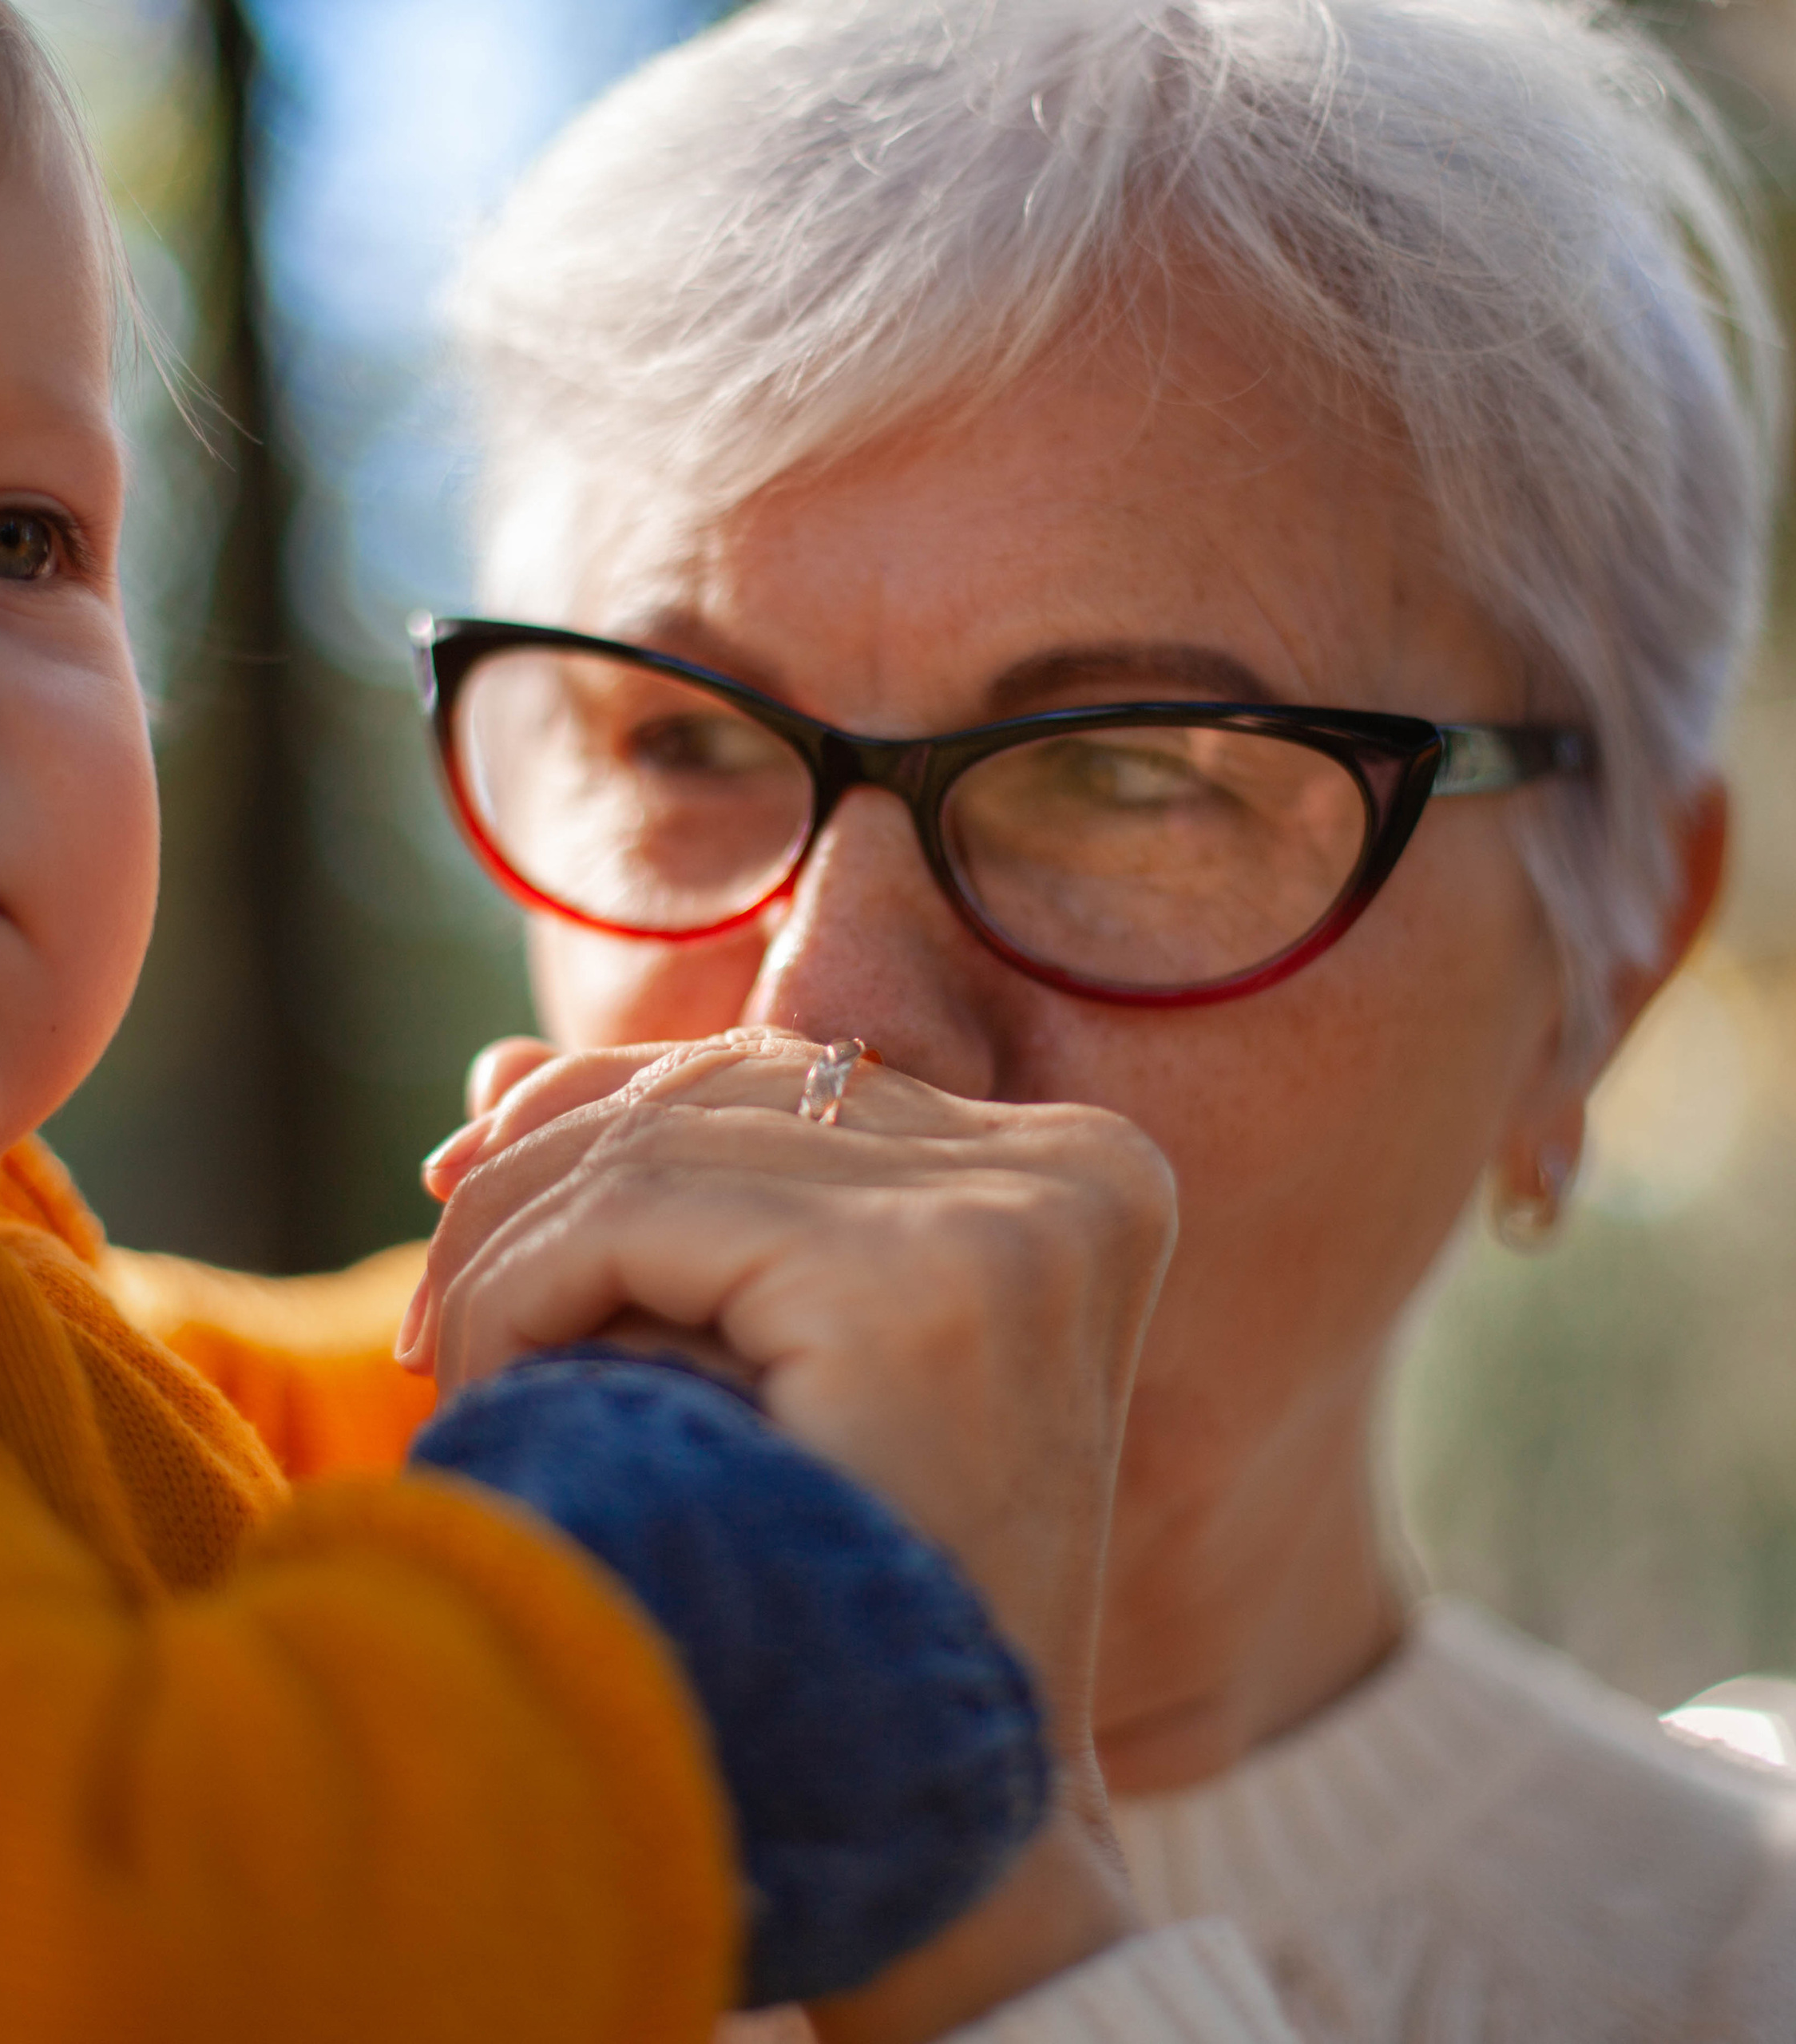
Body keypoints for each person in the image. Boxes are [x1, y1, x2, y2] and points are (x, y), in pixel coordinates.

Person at [0, 4, 1263, 2038]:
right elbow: (137, 1924)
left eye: (11, 535)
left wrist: (582, 1266)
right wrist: (683, 1512)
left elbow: (189, 1438)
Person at [398, 0, 1796, 2036]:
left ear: (1598, 974)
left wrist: (978, 1908)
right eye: (686, 735)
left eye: (1136, 770)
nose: (830, 1008)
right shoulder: (93, 1804)